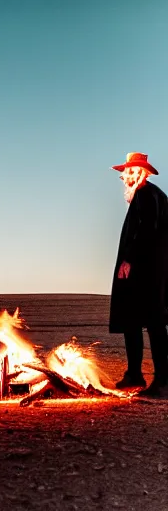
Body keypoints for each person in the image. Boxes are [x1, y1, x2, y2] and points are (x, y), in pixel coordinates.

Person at [109, 152, 168, 397]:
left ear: (138, 172)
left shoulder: (145, 194)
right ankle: (135, 374)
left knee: (152, 322)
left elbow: (146, 230)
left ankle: (162, 382)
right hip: (153, 268)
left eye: (128, 171)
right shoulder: (155, 195)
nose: (124, 176)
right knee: (137, 319)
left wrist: (129, 260)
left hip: (146, 270)